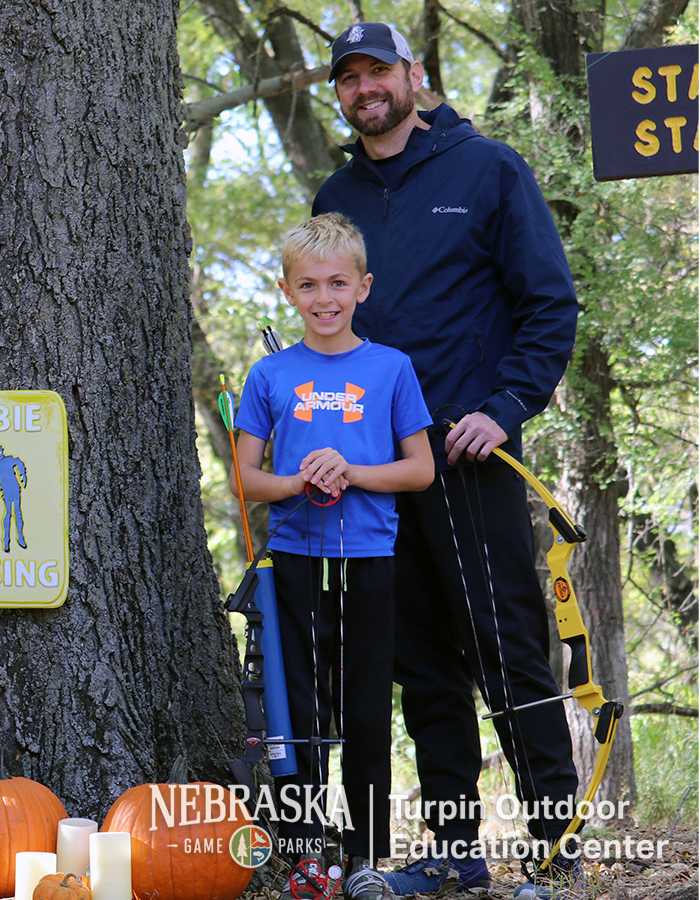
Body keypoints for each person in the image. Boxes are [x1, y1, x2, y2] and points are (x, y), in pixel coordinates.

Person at [313, 22, 582, 900]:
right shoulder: (337, 194)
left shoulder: (489, 170)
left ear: (413, 75)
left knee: (509, 656)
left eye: (377, 71)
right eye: (348, 78)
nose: (365, 89)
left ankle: (555, 849)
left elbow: (549, 306)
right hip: (377, 480)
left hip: (469, 464)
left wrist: (502, 412)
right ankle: (456, 854)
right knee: (421, 670)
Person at [234, 213, 434, 900]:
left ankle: (365, 854)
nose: (325, 299)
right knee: (300, 714)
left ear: (364, 286)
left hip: (371, 559)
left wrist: (346, 468)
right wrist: (300, 481)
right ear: (287, 290)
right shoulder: (270, 374)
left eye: (339, 284)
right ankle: (304, 854)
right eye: (310, 285)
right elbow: (247, 478)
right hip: (293, 560)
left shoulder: (391, 369)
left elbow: (419, 470)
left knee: (368, 710)